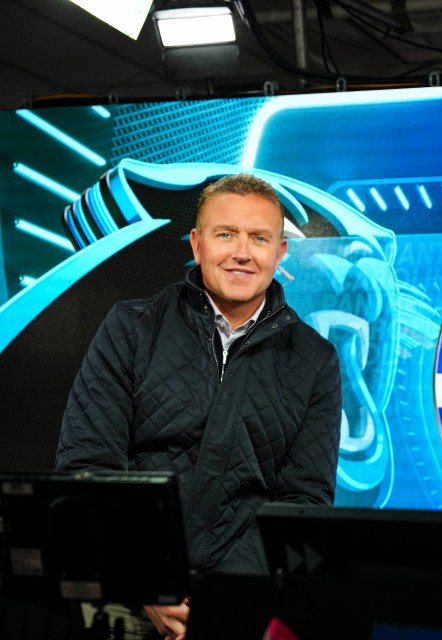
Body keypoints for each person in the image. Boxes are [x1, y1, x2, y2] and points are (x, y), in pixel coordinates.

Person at [55, 173, 342, 640]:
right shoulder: (132, 327)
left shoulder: (314, 360)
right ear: (197, 244)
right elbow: (88, 468)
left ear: (281, 252)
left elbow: (303, 504)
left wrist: (219, 600)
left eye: (260, 238)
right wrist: (149, 580)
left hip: (239, 608)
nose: (242, 252)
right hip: (124, 596)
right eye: (225, 234)